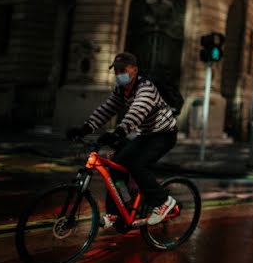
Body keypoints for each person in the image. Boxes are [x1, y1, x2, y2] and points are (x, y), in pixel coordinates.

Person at [66, 52, 178, 226]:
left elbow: (136, 113)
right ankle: (117, 211)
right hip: (146, 134)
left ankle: (163, 201)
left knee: (137, 165)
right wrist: (84, 129)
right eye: (116, 70)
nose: (119, 74)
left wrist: (118, 133)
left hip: (164, 134)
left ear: (134, 70)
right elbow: (106, 109)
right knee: (117, 167)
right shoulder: (121, 90)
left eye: (122, 70)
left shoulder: (145, 88)